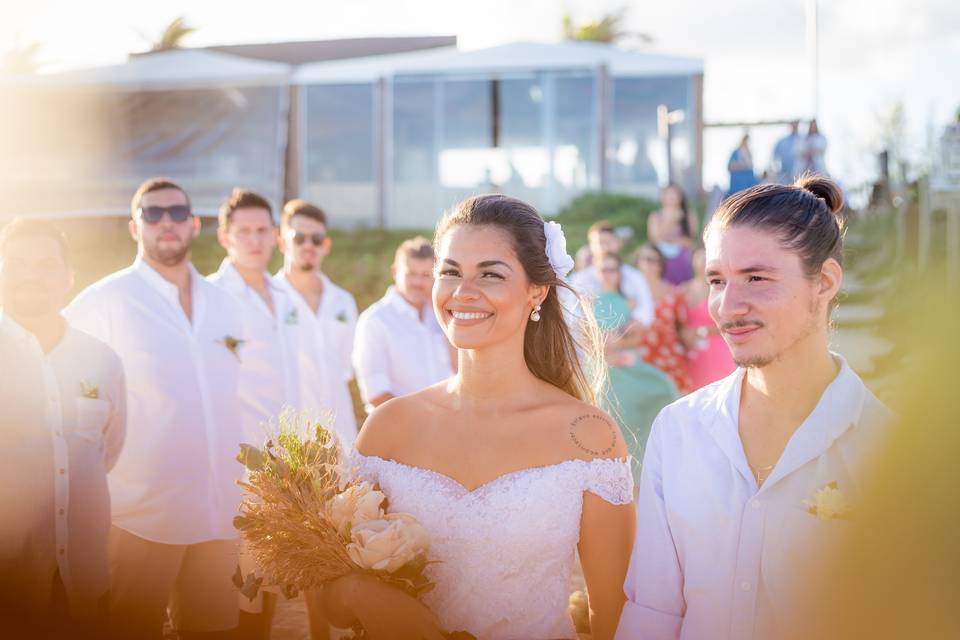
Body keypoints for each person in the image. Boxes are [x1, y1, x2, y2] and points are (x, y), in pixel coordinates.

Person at [323, 195, 636, 640]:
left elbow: (616, 614)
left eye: (490, 274)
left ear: (537, 290)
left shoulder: (588, 437)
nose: (463, 292)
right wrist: (365, 595)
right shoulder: (389, 427)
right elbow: (326, 595)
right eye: (450, 272)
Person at [616, 176, 892, 639]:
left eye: (757, 278)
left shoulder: (891, 449)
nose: (727, 306)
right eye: (717, 280)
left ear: (823, 281)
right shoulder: (678, 430)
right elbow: (653, 610)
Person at [65, 178, 248, 640]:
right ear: (134, 227)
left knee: (217, 633)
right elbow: (66, 404)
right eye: (152, 213)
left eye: (177, 212)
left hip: (218, 515)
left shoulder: (227, 305)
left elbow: (237, 399)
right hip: (137, 518)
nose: (166, 222)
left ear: (195, 224)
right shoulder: (102, 303)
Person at [0, 218, 125, 638]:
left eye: (45, 264)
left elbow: (106, 451)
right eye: (16, 262)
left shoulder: (102, 360)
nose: (31, 274)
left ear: (68, 278)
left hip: (85, 586)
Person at [207, 188, 300, 640]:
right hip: (235, 458)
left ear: (276, 236)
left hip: (283, 453)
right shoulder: (211, 297)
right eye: (244, 231)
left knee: (266, 573)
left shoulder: (286, 293)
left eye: (263, 230)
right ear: (225, 237)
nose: (255, 240)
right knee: (234, 576)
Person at [273, 199, 358, 444]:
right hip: (286, 442)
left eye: (316, 239)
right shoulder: (267, 300)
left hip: (339, 440)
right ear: (282, 242)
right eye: (299, 238)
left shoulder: (344, 301)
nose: (308, 245)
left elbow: (344, 371)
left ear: (326, 245)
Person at [592, 251, 679, 480]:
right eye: (604, 269)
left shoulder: (629, 302)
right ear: (597, 273)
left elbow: (638, 337)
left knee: (663, 389)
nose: (608, 275)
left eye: (613, 269)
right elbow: (588, 340)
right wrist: (608, 345)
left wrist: (615, 340)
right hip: (605, 370)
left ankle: (647, 470)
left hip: (629, 365)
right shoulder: (589, 302)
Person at [353, 236, 454, 412]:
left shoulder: (441, 316)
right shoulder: (375, 321)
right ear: (395, 272)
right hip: (401, 429)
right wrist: (423, 420)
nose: (418, 282)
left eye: (425, 275)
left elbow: (459, 370)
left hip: (447, 425)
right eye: (411, 274)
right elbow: (375, 393)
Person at [631, 243, 693, 394]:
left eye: (651, 259)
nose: (646, 263)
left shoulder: (673, 293)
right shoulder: (629, 294)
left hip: (670, 358)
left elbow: (682, 327)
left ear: (660, 265)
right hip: (642, 360)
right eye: (642, 259)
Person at [570, 220, 655, 325]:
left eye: (609, 242)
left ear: (618, 243)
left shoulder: (635, 276)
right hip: (592, 338)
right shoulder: (579, 280)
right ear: (590, 247)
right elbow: (573, 317)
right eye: (599, 243)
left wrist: (619, 335)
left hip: (630, 338)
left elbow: (645, 315)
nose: (605, 247)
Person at [682, 246, 736, 390]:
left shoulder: (721, 288)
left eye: (705, 258)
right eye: (699, 258)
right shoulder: (683, 290)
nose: (702, 262)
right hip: (691, 350)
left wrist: (703, 330)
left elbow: (731, 322)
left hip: (718, 347)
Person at [646, 184, 699, 285]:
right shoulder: (655, 216)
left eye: (675, 194)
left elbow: (691, 240)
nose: (672, 197)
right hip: (662, 260)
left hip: (683, 260)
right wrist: (671, 220)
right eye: (669, 194)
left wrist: (671, 240)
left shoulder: (688, 215)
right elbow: (654, 238)